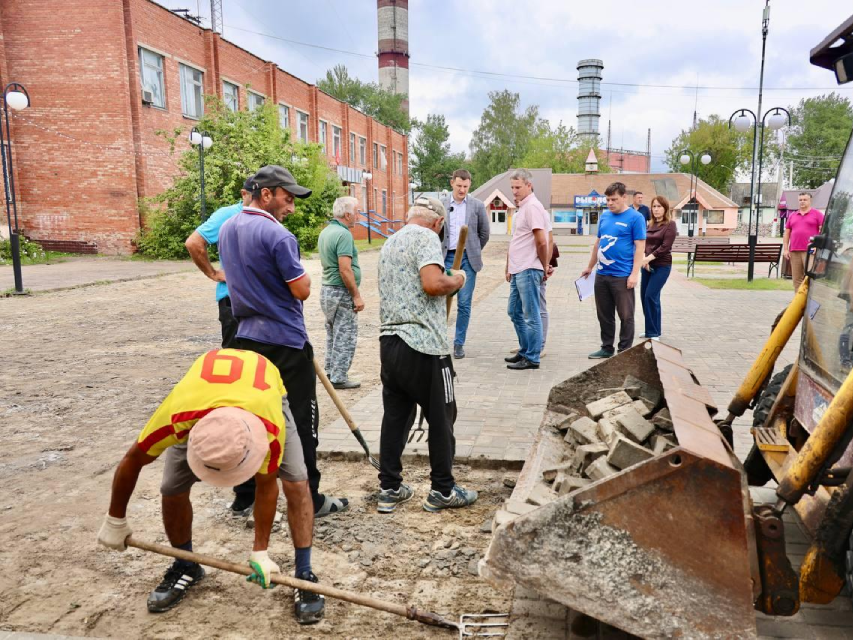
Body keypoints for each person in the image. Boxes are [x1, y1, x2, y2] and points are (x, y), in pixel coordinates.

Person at [97, 349, 325, 625]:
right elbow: (132, 461)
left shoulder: (269, 428)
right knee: (172, 486)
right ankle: (185, 565)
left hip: (264, 393)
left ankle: (303, 573)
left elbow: (266, 487)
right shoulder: (175, 418)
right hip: (203, 406)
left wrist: (260, 552)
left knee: (297, 482)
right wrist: (115, 520)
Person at [218, 165, 349, 518]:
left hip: (246, 338)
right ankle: (310, 498)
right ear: (266, 194)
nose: (291, 207)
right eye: (287, 198)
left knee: (251, 418)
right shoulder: (278, 236)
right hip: (286, 343)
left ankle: (245, 494)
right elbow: (301, 289)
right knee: (302, 423)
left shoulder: (229, 228)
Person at [375, 196, 476, 514]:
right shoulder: (428, 238)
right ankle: (443, 490)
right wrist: (457, 280)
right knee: (442, 418)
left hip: (390, 343)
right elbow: (433, 284)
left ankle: (389, 488)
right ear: (438, 222)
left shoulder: (390, 242)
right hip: (425, 346)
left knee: (395, 418)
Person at [184, 174, 257, 517]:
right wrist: (214, 273)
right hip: (234, 306)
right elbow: (193, 243)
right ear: (244, 193)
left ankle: (259, 479)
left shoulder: (265, 218)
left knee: (261, 388)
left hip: (258, 309)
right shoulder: (227, 215)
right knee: (240, 390)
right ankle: (245, 487)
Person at [582, 181, 646, 359]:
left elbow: (640, 247)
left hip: (622, 276)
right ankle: (607, 347)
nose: (610, 203)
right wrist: (590, 266)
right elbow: (598, 243)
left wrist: (634, 274)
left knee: (626, 315)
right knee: (604, 314)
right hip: (602, 275)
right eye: (608, 200)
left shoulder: (635, 218)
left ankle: (624, 351)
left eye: (614, 199)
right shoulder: (604, 217)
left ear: (624, 197)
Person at [440, 169, 490, 359]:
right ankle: (439, 340)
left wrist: (474, 249)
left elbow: (484, 234)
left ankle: (459, 343)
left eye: (466, 186)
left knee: (464, 303)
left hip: (468, 260)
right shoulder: (442, 204)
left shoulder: (477, 206)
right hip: (446, 257)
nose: (462, 189)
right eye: (459, 185)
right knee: (441, 301)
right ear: (452, 183)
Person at [504, 169, 551, 371]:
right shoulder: (522, 208)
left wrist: (544, 265)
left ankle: (532, 357)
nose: (514, 191)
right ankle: (525, 350)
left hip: (529, 269)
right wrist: (509, 267)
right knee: (514, 312)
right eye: (512, 187)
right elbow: (516, 240)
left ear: (529, 186)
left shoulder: (533, 207)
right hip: (518, 269)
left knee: (531, 315)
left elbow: (542, 241)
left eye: (518, 187)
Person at [317, 196, 364, 389]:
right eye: (357, 212)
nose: (359, 216)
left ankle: (330, 371)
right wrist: (356, 295)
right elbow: (345, 269)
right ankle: (339, 377)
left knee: (332, 333)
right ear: (347, 214)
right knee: (345, 335)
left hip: (327, 290)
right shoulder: (343, 234)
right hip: (341, 291)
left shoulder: (327, 231)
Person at [639, 196, 676, 340]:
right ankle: (651, 330)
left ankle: (654, 333)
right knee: (645, 297)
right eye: (654, 206)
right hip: (647, 266)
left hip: (662, 266)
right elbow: (644, 244)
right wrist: (644, 258)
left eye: (659, 206)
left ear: (665, 208)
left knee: (651, 296)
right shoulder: (649, 225)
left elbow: (665, 247)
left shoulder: (670, 225)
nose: (656, 209)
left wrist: (648, 258)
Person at [784, 192, 825, 291]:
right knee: (796, 278)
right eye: (800, 200)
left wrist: (817, 246)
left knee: (809, 276)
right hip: (794, 250)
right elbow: (787, 233)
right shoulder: (793, 215)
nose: (802, 202)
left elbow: (823, 232)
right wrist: (785, 249)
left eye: (805, 200)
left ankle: (809, 302)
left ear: (810, 201)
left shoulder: (817, 214)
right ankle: (797, 302)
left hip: (810, 251)